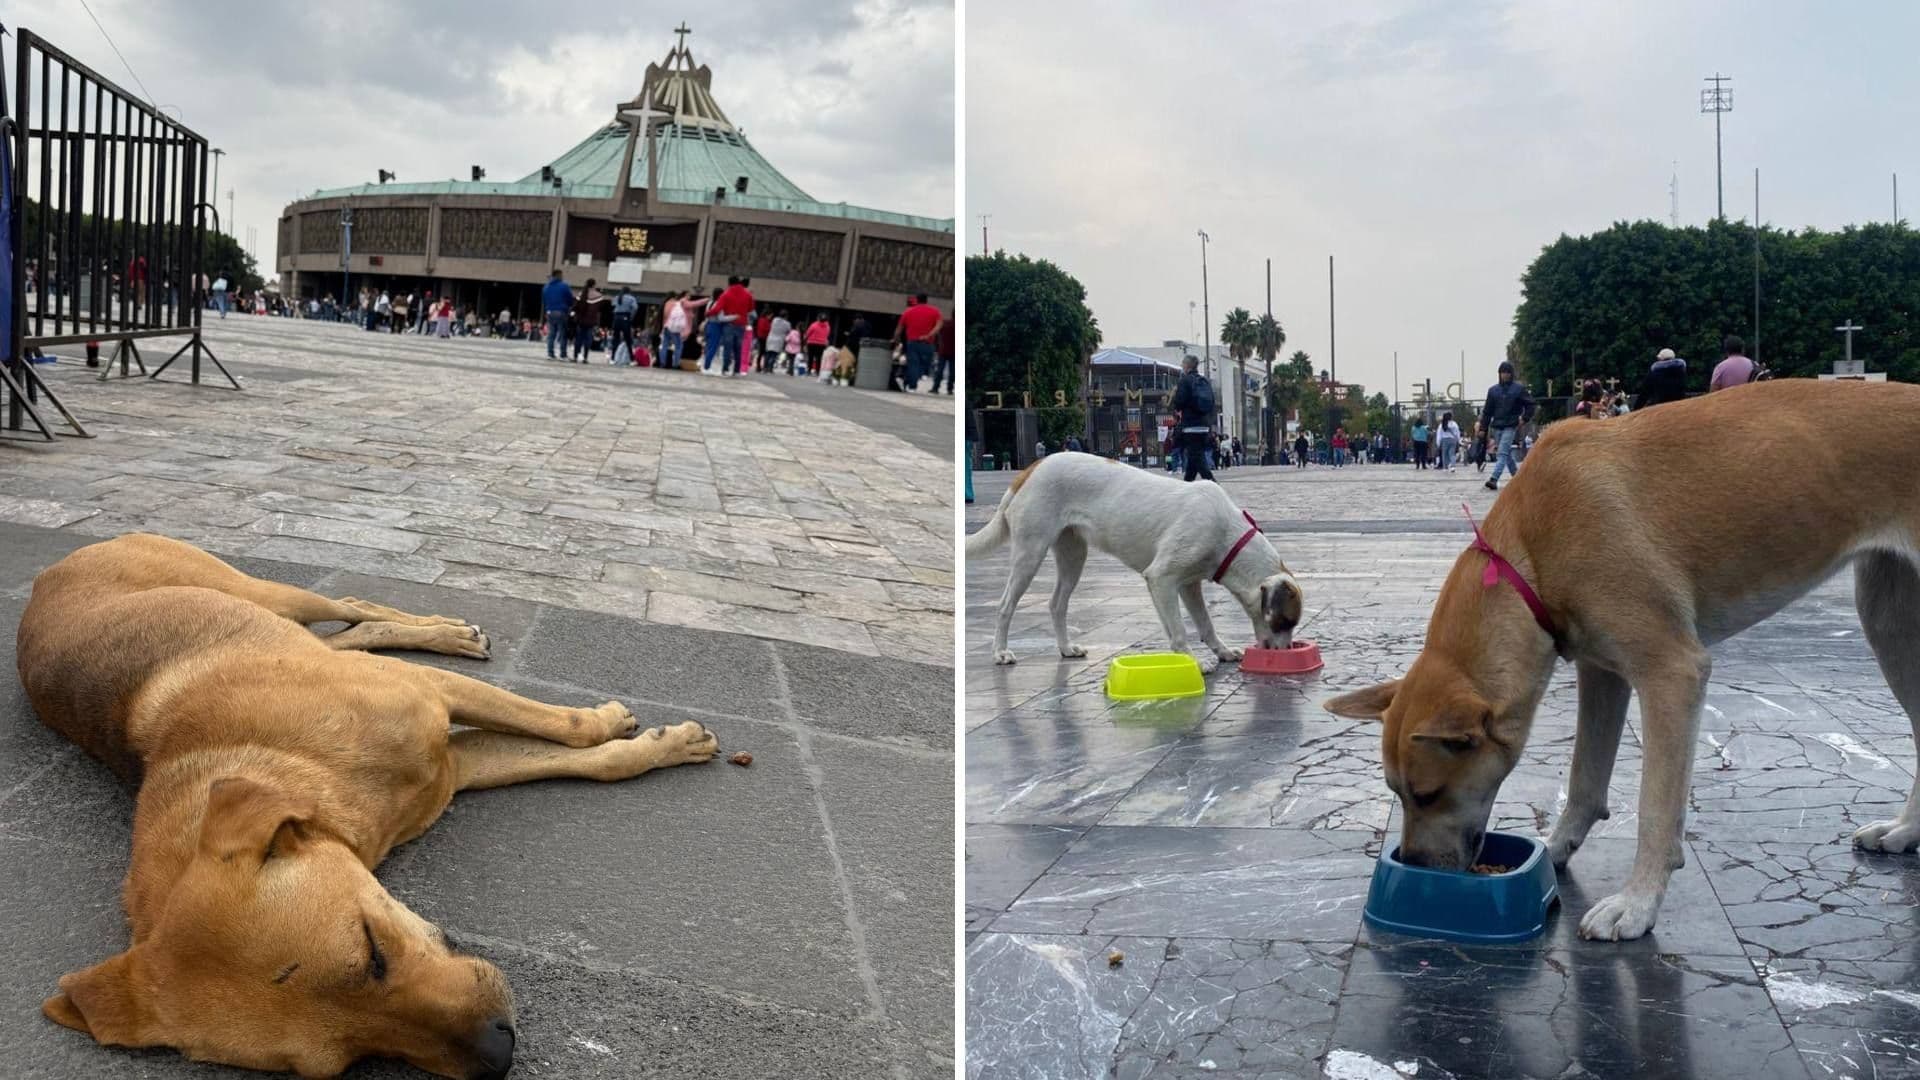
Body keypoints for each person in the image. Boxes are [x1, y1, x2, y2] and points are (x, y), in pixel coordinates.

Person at [1481, 359, 1536, 491]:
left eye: (1507, 372)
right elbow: (1487, 411)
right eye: (1502, 372)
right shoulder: (1493, 391)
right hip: (1497, 426)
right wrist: (1483, 428)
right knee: (1506, 454)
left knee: (1502, 453)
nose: (1505, 375)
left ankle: (1494, 479)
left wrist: (1524, 418)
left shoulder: (1518, 389)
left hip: (1511, 425)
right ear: (1499, 374)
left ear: (1511, 374)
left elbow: (1531, 404)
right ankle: (1518, 478)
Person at [1170, 355, 1217, 482]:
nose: (1181, 366)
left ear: (1187, 366)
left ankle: (1214, 486)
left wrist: (1175, 395)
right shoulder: (1204, 381)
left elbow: (1179, 403)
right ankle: (1187, 485)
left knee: (1198, 460)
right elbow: (1212, 402)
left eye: (1183, 364)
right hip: (1204, 425)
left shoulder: (1185, 381)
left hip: (1190, 426)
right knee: (1193, 460)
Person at [704, 276, 753, 375]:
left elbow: (717, 309)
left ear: (729, 283)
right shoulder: (748, 294)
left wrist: (708, 313)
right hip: (741, 323)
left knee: (728, 347)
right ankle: (736, 370)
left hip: (729, 324)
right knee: (738, 348)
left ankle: (725, 369)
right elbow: (751, 308)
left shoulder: (726, 294)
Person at [895, 294, 943, 391]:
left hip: (912, 343)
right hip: (928, 343)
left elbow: (898, 330)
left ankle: (912, 384)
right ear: (926, 300)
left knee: (913, 364)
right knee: (925, 364)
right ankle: (913, 380)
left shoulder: (908, 312)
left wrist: (896, 340)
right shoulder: (935, 312)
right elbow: (939, 325)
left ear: (917, 300)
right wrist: (930, 335)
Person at [541, 270, 573, 360]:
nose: (562, 277)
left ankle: (550, 353)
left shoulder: (546, 287)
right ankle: (563, 354)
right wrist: (568, 306)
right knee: (563, 334)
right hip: (561, 311)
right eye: (561, 275)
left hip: (550, 312)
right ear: (558, 275)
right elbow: (570, 299)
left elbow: (544, 299)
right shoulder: (564, 286)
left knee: (552, 334)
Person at [571, 279, 605, 362]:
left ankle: (575, 356)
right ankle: (585, 357)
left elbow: (575, 307)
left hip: (580, 320)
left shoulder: (581, 294)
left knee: (578, 339)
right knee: (588, 339)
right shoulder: (599, 296)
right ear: (594, 285)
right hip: (591, 321)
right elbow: (601, 309)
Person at [609, 287, 639, 364]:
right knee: (628, 340)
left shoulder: (617, 297)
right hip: (625, 317)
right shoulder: (631, 298)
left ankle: (612, 358)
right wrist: (631, 317)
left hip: (616, 318)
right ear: (629, 292)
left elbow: (613, 305)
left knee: (615, 339)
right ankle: (632, 360)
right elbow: (635, 308)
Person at [765, 309, 792, 374]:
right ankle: (770, 368)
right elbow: (789, 331)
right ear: (786, 316)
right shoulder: (787, 324)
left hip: (770, 338)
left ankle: (765, 367)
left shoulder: (774, 320)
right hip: (779, 340)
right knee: (774, 355)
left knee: (768, 353)